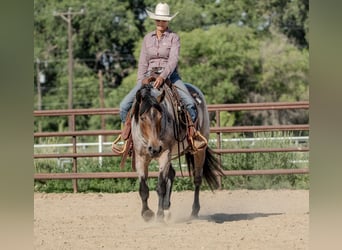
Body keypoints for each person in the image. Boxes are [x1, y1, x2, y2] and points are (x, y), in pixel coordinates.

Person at [113, 2, 206, 154]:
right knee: (124, 106)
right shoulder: (147, 39)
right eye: (158, 20)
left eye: (163, 20)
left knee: (189, 103)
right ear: (155, 21)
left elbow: (173, 60)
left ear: (168, 21)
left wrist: (163, 76)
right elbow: (143, 62)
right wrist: (140, 82)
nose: (160, 23)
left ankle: (192, 137)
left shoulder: (173, 38)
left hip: (170, 76)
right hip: (148, 78)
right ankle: (129, 140)